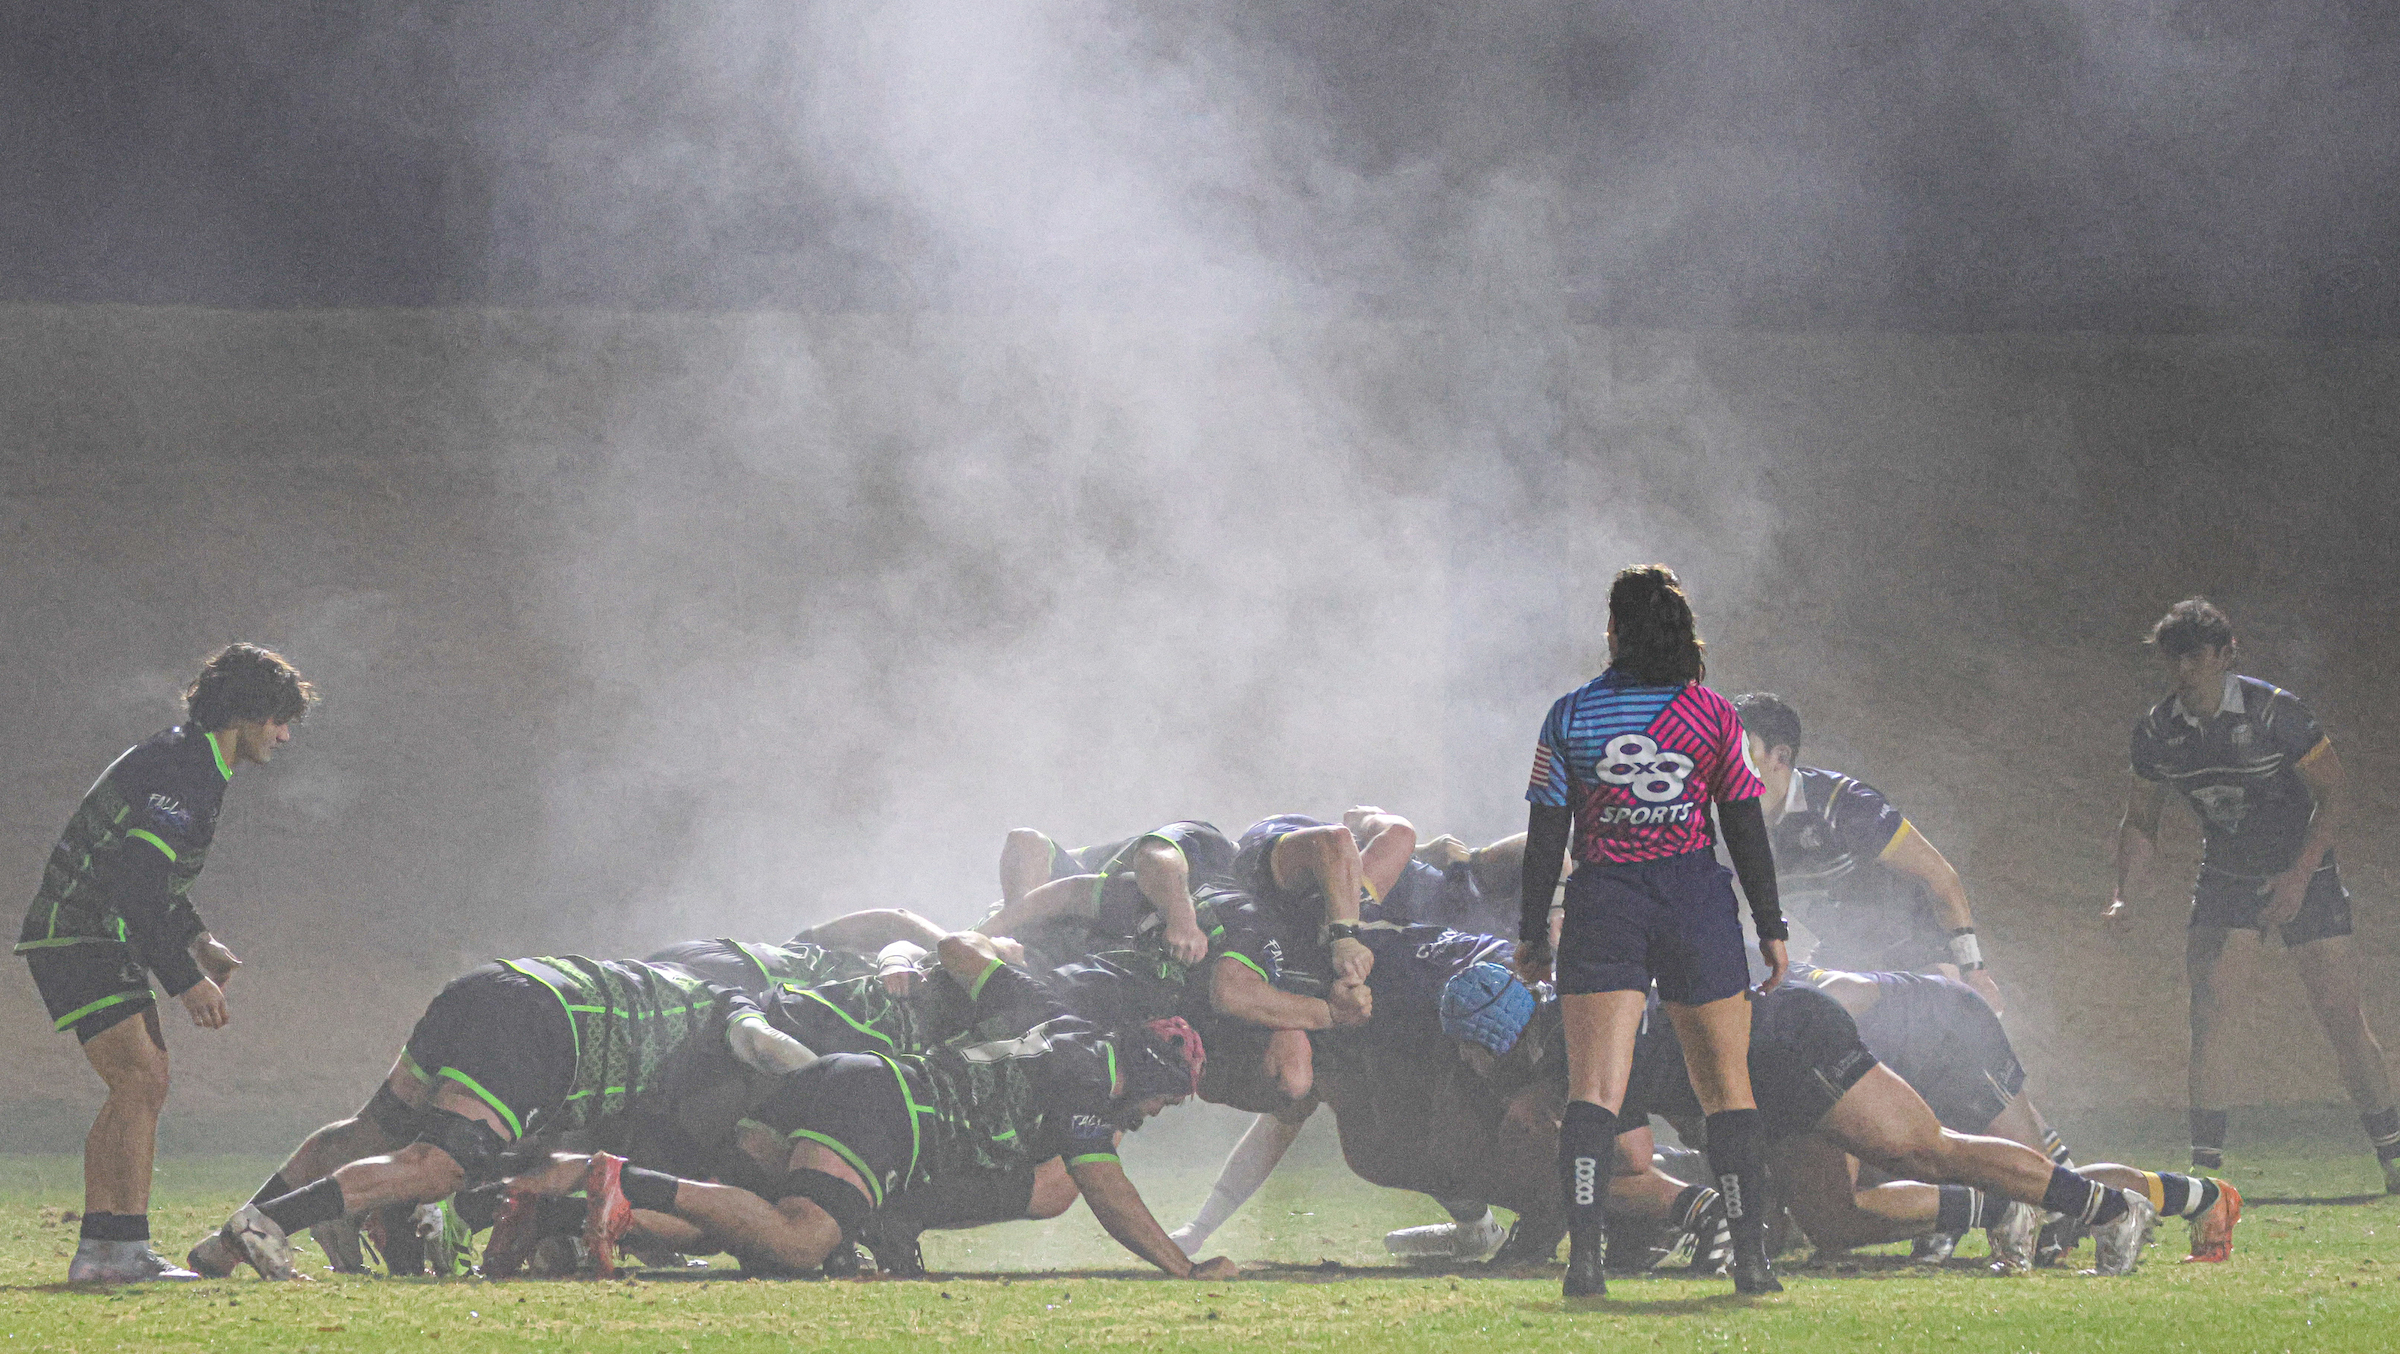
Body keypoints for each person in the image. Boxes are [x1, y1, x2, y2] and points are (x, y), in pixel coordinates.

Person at [1511, 564, 1791, 1297]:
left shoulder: (1570, 715)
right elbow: (1743, 826)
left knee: (1592, 1092)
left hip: (1605, 900)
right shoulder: (1712, 715)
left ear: (1613, 630)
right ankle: (1753, 1264)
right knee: (1727, 1088)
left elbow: (1547, 837)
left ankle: (1585, 1264)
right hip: (1695, 898)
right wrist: (1771, 924)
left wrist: (1532, 930)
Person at [187, 954, 813, 1280]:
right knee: (440, 1166)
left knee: (370, 1131)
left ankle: (220, 1246)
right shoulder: (731, 1006)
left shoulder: (664, 1001)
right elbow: (764, 1045)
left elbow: (559, 1150)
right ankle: (268, 1222)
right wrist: (821, 1075)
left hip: (490, 986)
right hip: (542, 1025)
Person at [16, 644, 315, 1283]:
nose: (285, 735)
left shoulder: (188, 758)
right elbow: (135, 885)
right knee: (141, 1079)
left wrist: (198, 938)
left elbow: (153, 878)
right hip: (84, 932)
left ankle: (105, 1249)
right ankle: (115, 1252)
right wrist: (186, 981)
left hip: (83, 932)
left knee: (138, 1082)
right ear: (246, 713)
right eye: (278, 719)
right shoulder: (188, 770)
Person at [2106, 598, 2400, 1187]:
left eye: (2196, 657)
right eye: (2174, 658)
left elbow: (2334, 793)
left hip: (2305, 873)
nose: (2184, 669)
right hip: (2226, 876)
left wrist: (2297, 877)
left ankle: (2393, 1155)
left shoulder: (2276, 714)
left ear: (2224, 655)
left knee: (2342, 1017)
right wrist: (2124, 895)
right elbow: (2142, 819)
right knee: (2208, 1013)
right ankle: (2204, 1173)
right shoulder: (2158, 732)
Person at [1730, 694, 2003, 1011]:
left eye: (1738, 752)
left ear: (1780, 756)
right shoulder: (1724, 826)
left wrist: (1974, 971)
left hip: (1917, 954)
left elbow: (1939, 877)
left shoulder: (1843, 803)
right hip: (1844, 959)